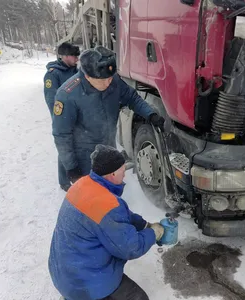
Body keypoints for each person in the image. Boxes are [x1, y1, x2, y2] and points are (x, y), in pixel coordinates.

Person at [48, 144, 165, 300]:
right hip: (85, 283)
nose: (124, 174)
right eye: (123, 170)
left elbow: (118, 217)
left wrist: (143, 224)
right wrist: (153, 233)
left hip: (63, 273)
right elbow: (131, 247)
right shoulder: (107, 206)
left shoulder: (82, 185)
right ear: (112, 174)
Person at [51, 46, 165, 184]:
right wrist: (71, 167)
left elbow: (132, 97)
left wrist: (150, 114)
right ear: (87, 75)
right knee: (91, 196)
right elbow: (61, 135)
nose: (108, 83)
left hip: (108, 146)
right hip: (85, 155)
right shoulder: (68, 95)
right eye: (103, 80)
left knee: (111, 189)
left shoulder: (111, 80)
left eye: (110, 78)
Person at [43, 42, 80, 191]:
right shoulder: (53, 74)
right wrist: (60, 120)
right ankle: (64, 181)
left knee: (78, 146)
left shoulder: (75, 70)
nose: (77, 58)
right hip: (63, 118)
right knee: (65, 148)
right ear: (64, 56)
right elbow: (52, 100)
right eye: (73, 56)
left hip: (78, 115)